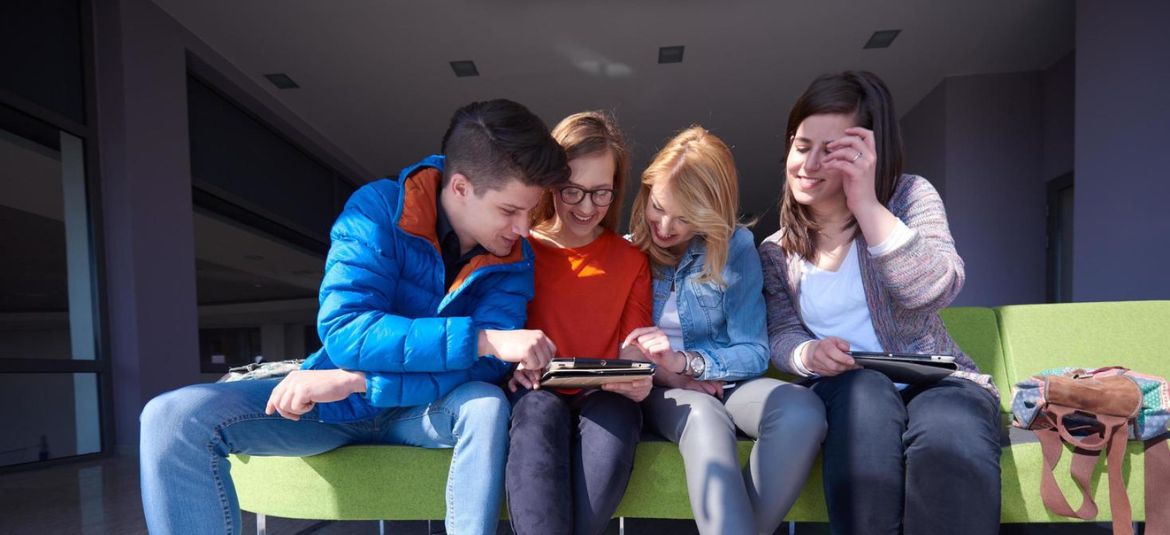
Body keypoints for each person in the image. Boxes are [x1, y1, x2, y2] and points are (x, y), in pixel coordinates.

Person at [138, 99, 570, 535]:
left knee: (485, 403)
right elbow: (347, 330)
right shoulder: (376, 209)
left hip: (419, 407)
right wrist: (481, 339)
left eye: (529, 212)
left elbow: (485, 368)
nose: (523, 229)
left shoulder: (516, 256)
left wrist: (359, 381)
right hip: (329, 405)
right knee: (170, 418)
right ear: (460, 187)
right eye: (509, 211)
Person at [759, 71, 1001, 535]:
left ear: (868, 152)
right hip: (849, 388)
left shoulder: (909, 198)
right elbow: (782, 332)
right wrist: (808, 353)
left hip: (935, 383)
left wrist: (867, 205)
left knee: (951, 431)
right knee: (865, 396)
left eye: (832, 151)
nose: (809, 164)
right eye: (802, 146)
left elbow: (932, 290)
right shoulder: (777, 249)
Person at [625, 126, 826, 535]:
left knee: (801, 410)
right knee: (704, 415)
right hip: (656, 390)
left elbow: (753, 351)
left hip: (724, 382)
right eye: (658, 207)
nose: (664, 226)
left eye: (684, 217)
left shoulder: (735, 246)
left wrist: (688, 362)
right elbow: (616, 350)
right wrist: (668, 373)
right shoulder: (626, 251)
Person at [504, 111, 652, 535]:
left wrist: (636, 374)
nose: (587, 208)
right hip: (535, 393)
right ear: (550, 184)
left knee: (617, 416)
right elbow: (497, 328)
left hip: (604, 396)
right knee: (537, 413)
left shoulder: (630, 260)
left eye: (601, 193)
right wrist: (510, 362)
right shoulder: (519, 248)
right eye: (572, 191)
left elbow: (633, 340)